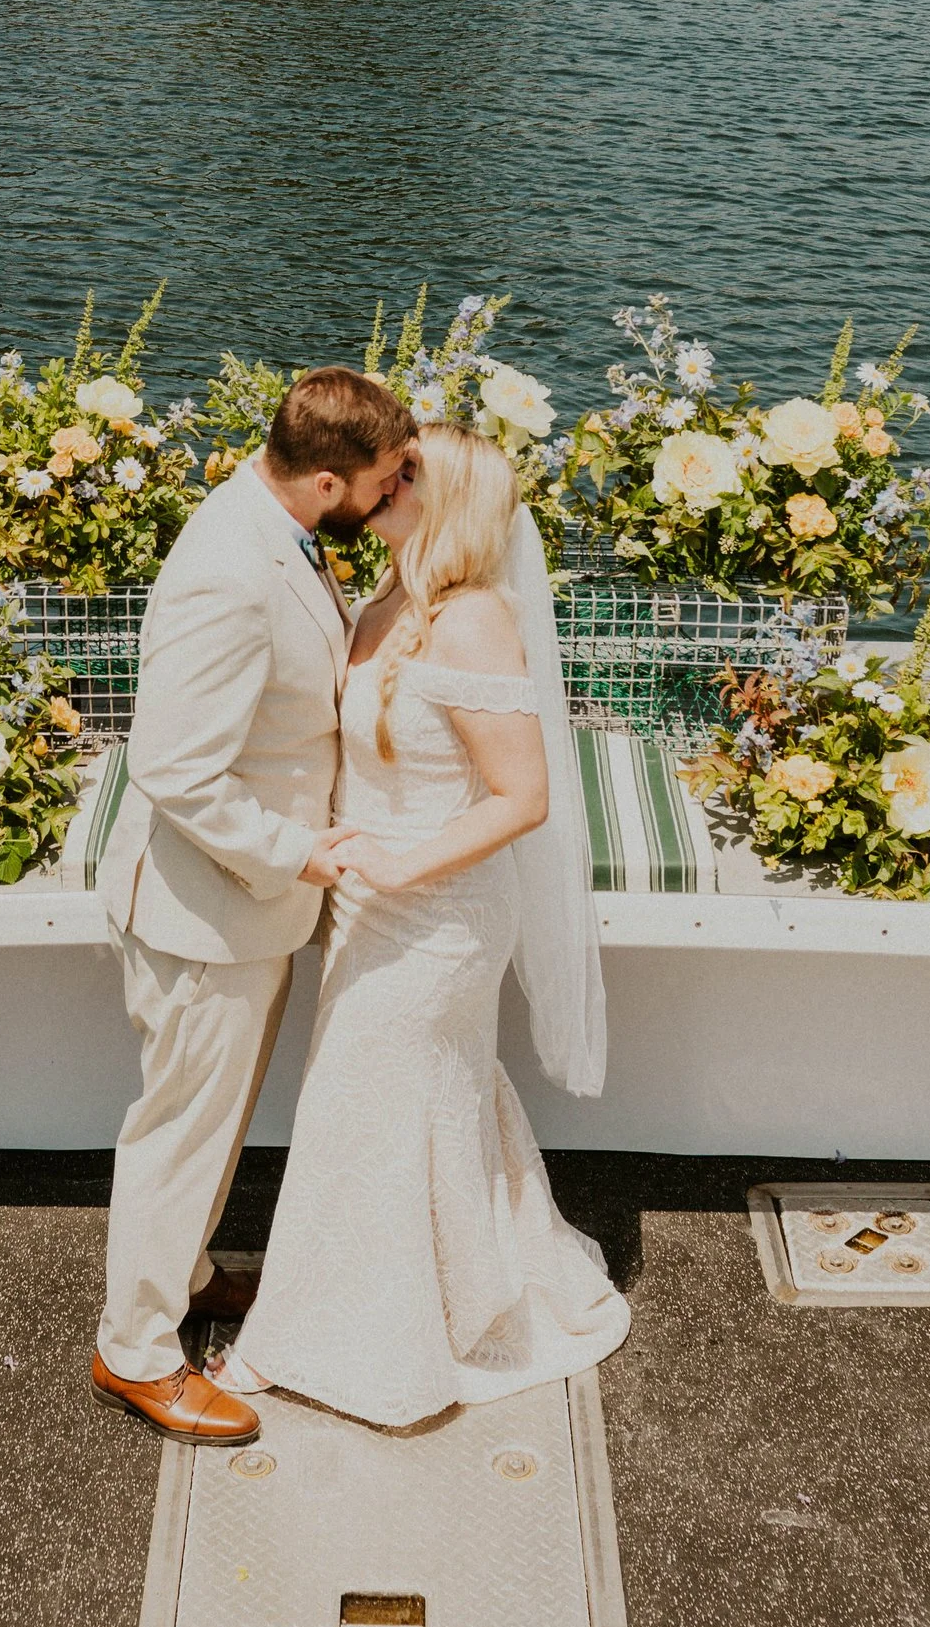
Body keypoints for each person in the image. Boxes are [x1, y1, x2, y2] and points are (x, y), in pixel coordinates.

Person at [211, 425, 629, 1429]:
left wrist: (399, 860)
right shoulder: (387, 599)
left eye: (407, 476)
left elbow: (519, 796)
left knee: (364, 1101)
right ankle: (449, 1291)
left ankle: (316, 1345)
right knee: (391, 1099)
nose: (384, 483)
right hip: (367, 897)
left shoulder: (475, 620)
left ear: (447, 503)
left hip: (439, 910)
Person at [91, 365, 418, 1442]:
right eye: (384, 478)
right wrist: (294, 853)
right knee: (181, 1130)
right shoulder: (229, 573)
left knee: (207, 1121)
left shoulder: (273, 520)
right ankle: (134, 1353)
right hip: (209, 913)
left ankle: (180, 1273)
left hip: (238, 910)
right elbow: (176, 769)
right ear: (327, 482)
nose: (393, 492)